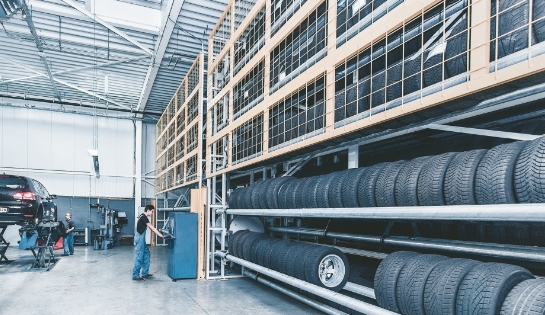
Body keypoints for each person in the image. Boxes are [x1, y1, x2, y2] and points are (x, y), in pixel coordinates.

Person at [132, 205, 163, 281]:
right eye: (152, 211)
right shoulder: (144, 217)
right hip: (139, 239)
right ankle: (135, 275)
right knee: (139, 256)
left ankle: (145, 274)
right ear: (148, 210)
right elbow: (152, 228)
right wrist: (161, 235)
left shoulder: (143, 217)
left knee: (146, 254)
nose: (152, 213)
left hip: (141, 239)